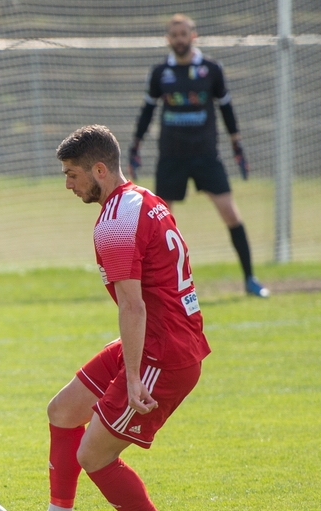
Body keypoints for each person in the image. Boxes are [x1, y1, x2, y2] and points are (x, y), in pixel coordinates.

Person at [12, 125, 211, 511]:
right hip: (159, 339)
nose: (68, 184)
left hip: (163, 353)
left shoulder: (116, 221)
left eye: (72, 174)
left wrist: (135, 373)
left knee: (94, 455)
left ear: (99, 169)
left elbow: (133, 305)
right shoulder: (144, 199)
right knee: (63, 410)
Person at [128, 13, 269, 298]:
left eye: (184, 34)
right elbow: (147, 111)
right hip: (171, 157)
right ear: (168, 39)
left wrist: (236, 145)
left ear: (194, 36)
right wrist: (136, 145)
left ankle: (250, 279)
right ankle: (156, 288)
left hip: (206, 155)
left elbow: (226, 108)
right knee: (158, 223)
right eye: (174, 34)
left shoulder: (211, 69)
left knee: (230, 213)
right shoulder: (160, 73)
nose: (179, 39)